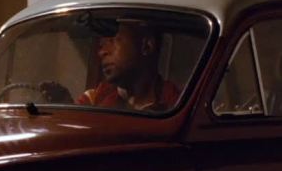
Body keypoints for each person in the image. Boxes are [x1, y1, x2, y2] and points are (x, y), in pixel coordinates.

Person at [41, 21, 180, 112]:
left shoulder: (175, 106)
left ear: (146, 46)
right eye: (101, 45)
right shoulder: (95, 98)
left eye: (112, 40)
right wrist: (65, 104)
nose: (101, 52)